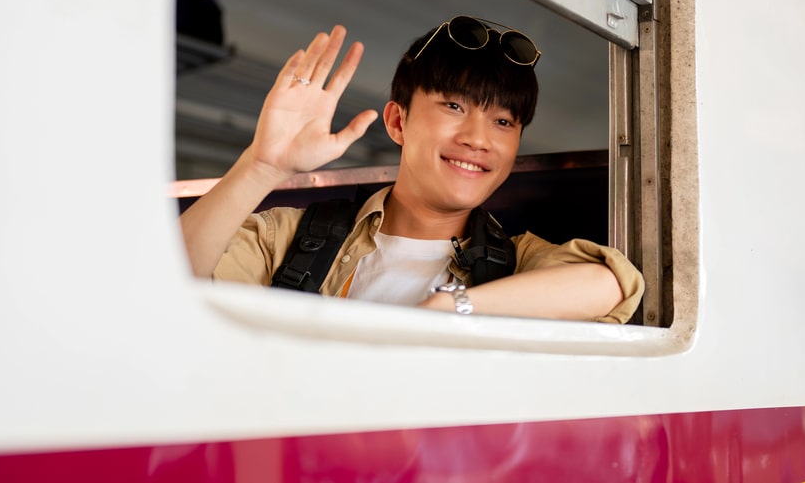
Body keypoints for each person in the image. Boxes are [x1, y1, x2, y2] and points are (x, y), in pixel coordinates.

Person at [179, 17, 643, 323]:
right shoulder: (288, 237)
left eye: (503, 121)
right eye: (454, 106)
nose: (479, 139)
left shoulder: (520, 262)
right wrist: (261, 166)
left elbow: (610, 285)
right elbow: (165, 276)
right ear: (399, 122)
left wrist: (451, 304)